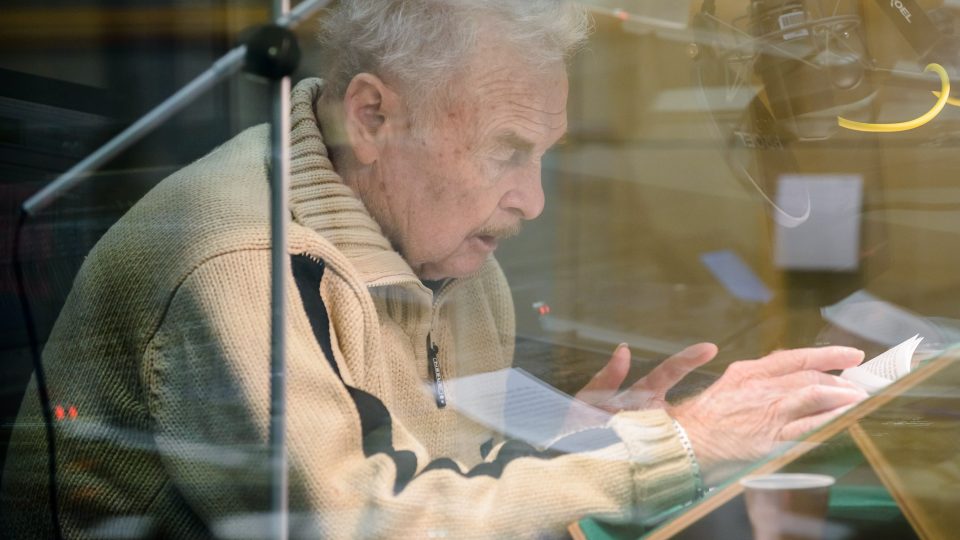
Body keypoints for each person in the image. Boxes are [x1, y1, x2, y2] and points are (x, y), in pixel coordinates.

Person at [1, 0, 869, 538]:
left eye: (544, 156)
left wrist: (571, 431)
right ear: (373, 116)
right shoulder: (242, 262)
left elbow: (449, 427)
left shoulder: (445, 245)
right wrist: (680, 443)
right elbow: (358, 525)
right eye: (507, 152)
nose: (531, 200)